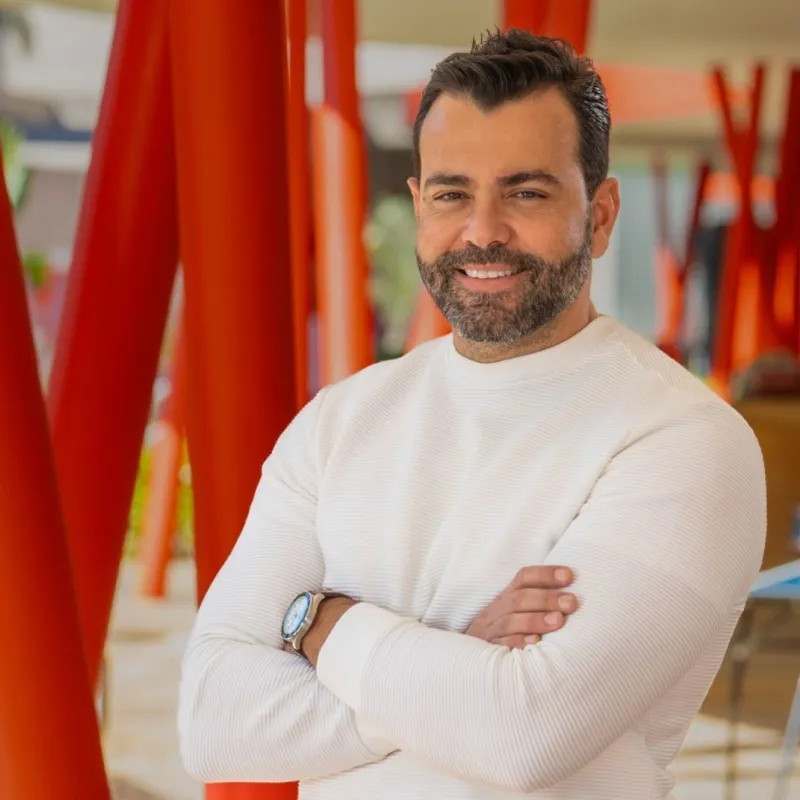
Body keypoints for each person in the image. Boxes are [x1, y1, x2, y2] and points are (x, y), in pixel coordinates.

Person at [178, 30, 767, 799]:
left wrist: (320, 625)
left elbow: (521, 733)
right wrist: (452, 653)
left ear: (600, 215)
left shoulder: (684, 438)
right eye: (452, 194)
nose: (483, 231)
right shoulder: (339, 421)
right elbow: (213, 721)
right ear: (419, 204)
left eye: (526, 193)